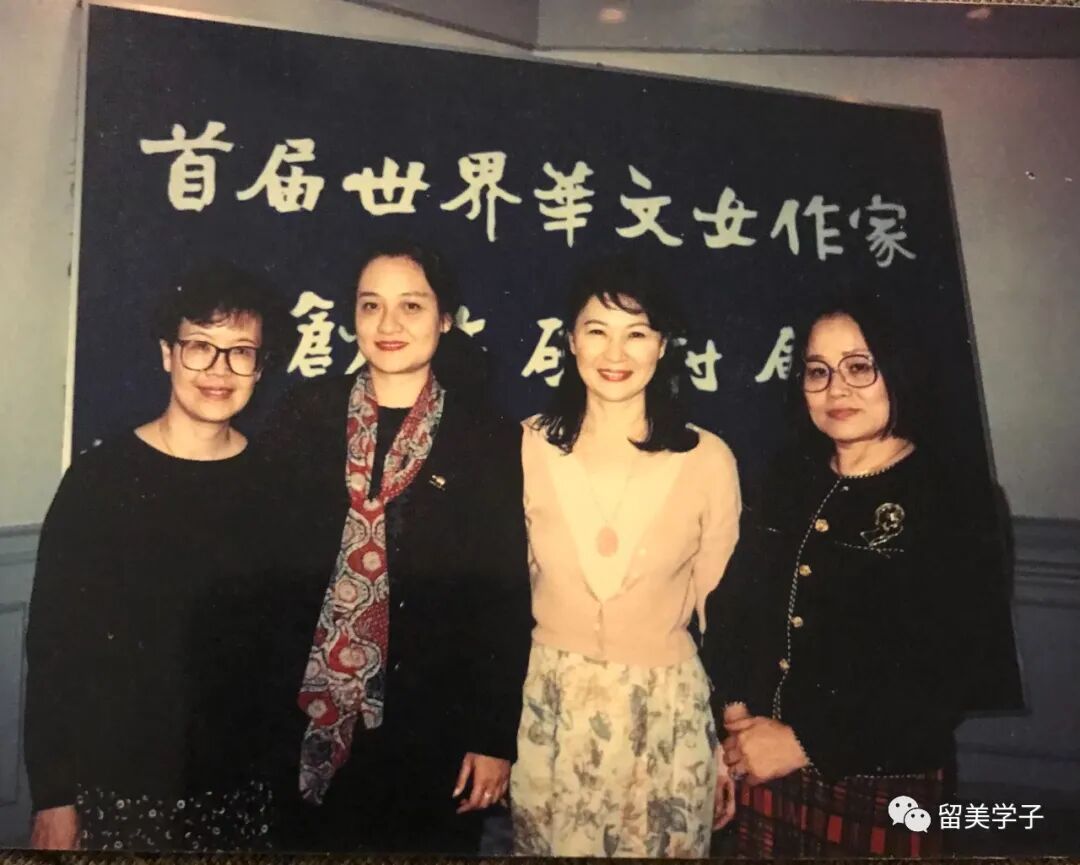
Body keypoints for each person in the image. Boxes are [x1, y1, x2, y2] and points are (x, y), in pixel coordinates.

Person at [709, 294, 1023, 857]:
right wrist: (735, 721)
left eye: (859, 366)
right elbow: (733, 607)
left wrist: (805, 743)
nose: (837, 390)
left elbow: (955, 672)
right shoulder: (787, 479)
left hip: (881, 777)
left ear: (899, 370)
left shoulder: (958, 498)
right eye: (817, 371)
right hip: (762, 766)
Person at [260, 239, 532, 854]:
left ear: (445, 319)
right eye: (371, 305)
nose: (388, 324)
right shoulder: (304, 414)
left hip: (431, 728)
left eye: (411, 306)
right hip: (304, 713)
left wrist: (493, 738)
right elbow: (262, 575)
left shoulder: (485, 436)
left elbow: (503, 597)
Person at [24, 263, 292, 851]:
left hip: (242, 789)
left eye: (241, 352)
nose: (219, 370)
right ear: (167, 353)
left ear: (260, 367)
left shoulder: (278, 483)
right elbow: (53, 649)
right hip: (117, 785)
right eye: (200, 347)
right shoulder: (100, 481)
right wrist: (53, 796)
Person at [510, 255, 742, 858]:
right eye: (597, 331)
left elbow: (723, 613)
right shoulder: (527, 446)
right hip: (551, 707)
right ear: (570, 340)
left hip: (667, 714)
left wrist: (726, 740)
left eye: (637, 333)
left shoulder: (707, 459)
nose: (616, 353)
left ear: (662, 346)